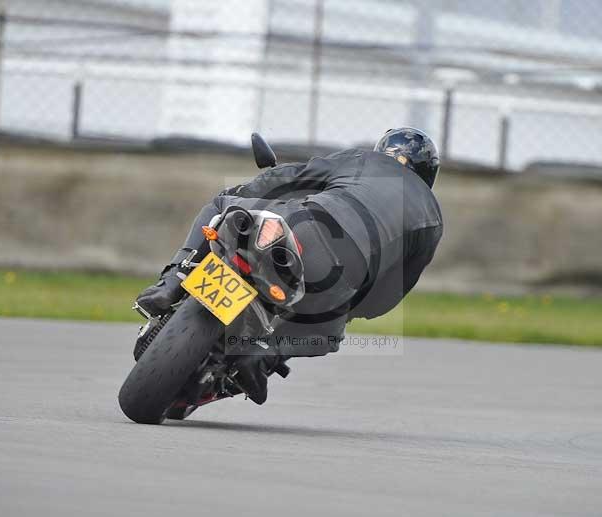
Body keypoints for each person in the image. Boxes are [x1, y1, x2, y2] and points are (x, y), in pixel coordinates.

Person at [136, 127, 444, 404]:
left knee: (221, 204)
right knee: (328, 335)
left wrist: (245, 192)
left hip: (302, 225)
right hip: (343, 273)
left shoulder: (363, 160)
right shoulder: (432, 218)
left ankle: (173, 280)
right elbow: (391, 292)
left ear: (384, 150)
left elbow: (290, 177)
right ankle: (262, 357)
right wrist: (351, 308)